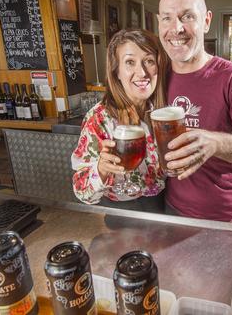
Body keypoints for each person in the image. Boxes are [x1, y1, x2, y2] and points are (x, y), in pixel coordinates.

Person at [157, 0, 232, 223]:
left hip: (226, 217)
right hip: (172, 210)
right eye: (167, 18)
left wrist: (215, 143)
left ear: (206, 21)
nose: (176, 28)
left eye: (187, 16)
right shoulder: (156, 77)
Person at [71, 29, 168, 212]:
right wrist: (101, 169)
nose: (142, 72)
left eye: (149, 61)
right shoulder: (99, 117)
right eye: (130, 62)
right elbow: (81, 191)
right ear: (117, 72)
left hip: (161, 206)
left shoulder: (159, 112)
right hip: (121, 214)